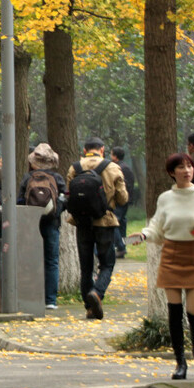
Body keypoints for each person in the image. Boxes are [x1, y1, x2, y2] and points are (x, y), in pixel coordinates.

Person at [128, 153, 194, 378]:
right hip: (172, 254)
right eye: (181, 167)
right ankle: (180, 362)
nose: (187, 170)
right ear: (172, 173)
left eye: (189, 166)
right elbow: (157, 227)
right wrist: (143, 235)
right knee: (174, 310)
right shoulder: (165, 198)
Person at [66, 137, 129, 321]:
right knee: (107, 263)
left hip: (82, 223)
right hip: (105, 222)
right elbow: (123, 198)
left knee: (86, 267)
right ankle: (97, 293)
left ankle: (89, 308)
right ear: (102, 149)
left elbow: (70, 195)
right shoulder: (112, 167)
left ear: (85, 150)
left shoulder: (74, 168)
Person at [18, 143, 67, 310]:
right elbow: (64, 200)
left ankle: (32, 296)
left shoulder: (27, 178)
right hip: (52, 223)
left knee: (31, 260)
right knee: (51, 261)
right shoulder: (57, 178)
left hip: (31, 224)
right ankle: (50, 300)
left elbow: (19, 201)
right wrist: (56, 212)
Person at [110, 147, 136, 259]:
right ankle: (122, 247)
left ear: (115, 156)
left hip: (119, 200)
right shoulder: (127, 167)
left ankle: (120, 247)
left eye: (111, 155)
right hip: (126, 200)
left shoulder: (117, 168)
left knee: (113, 223)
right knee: (122, 222)